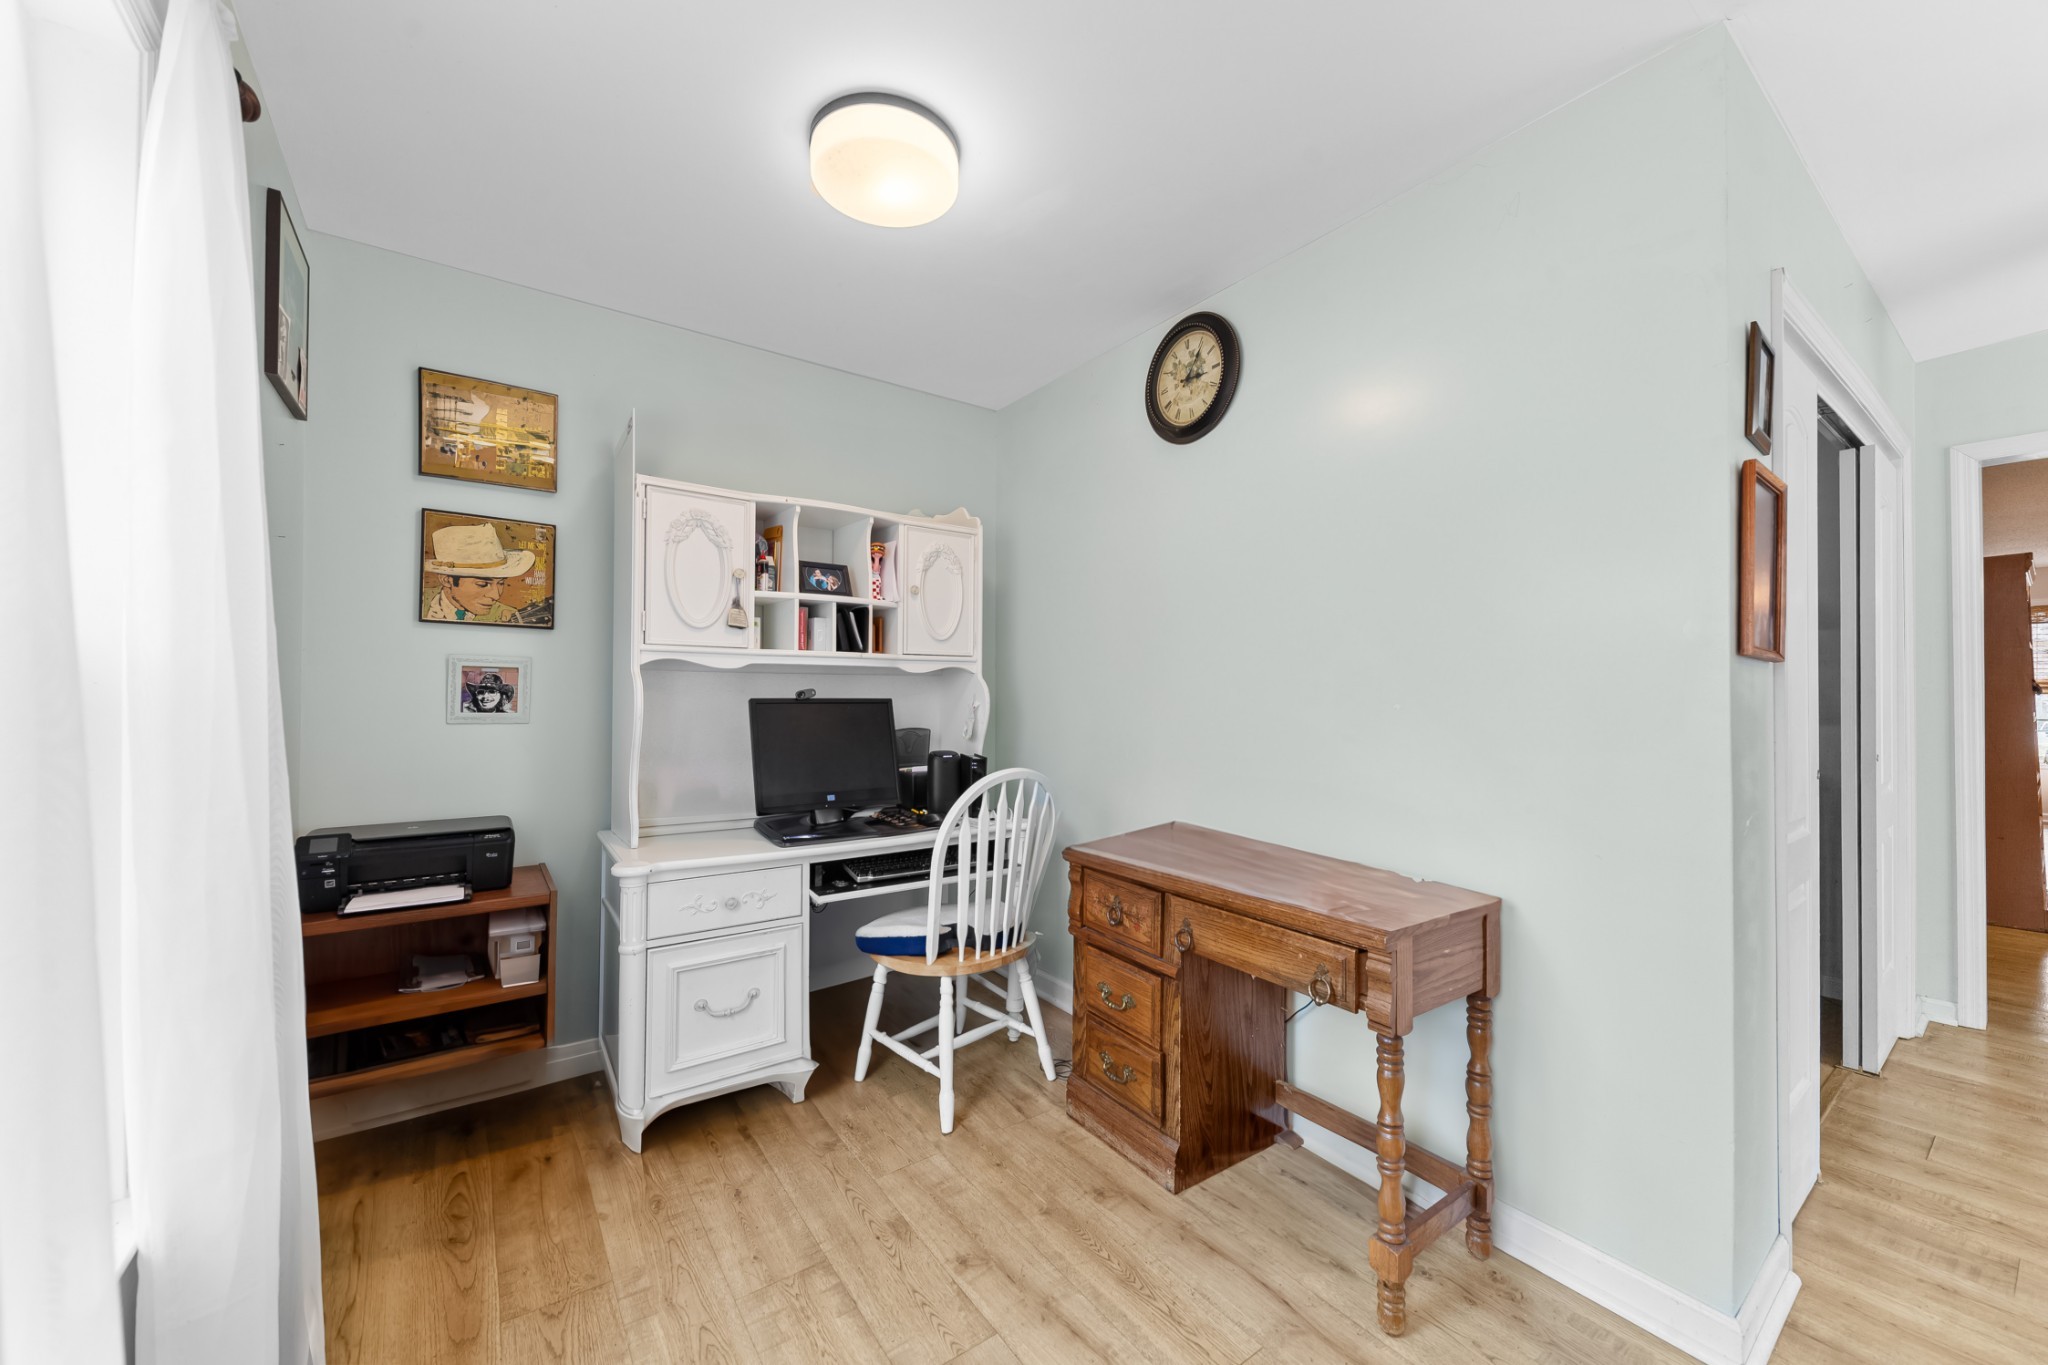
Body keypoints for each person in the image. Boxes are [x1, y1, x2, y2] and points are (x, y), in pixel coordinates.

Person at [421, 521, 535, 624]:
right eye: (482, 584)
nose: (495, 596)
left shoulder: (506, 616)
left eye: (501, 583)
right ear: (446, 580)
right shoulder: (421, 600)